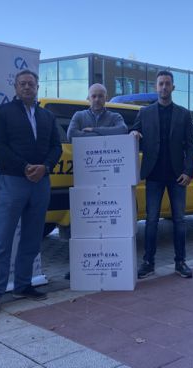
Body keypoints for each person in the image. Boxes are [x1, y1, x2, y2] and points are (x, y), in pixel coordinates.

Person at [0, 69, 62, 317]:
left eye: (31, 84)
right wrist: (24, 167)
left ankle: (23, 285)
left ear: (37, 87)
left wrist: (45, 167)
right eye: (22, 84)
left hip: (41, 182)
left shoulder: (47, 116)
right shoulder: (2, 112)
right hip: (13, 180)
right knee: (3, 238)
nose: (27, 87)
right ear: (15, 87)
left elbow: (56, 147)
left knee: (32, 237)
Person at [131, 70, 193, 279]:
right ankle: (148, 263)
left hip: (178, 176)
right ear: (156, 87)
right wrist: (134, 133)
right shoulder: (145, 113)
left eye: (167, 83)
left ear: (173, 87)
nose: (164, 87)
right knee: (151, 221)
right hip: (154, 175)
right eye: (161, 84)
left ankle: (180, 262)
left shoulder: (184, 114)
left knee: (179, 220)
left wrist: (188, 172)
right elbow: (133, 135)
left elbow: (191, 146)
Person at [64, 83, 128, 280]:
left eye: (101, 96)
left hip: (111, 180)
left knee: (109, 226)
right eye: (94, 96)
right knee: (84, 227)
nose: (97, 99)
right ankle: (81, 266)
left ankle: (107, 265)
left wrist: (93, 130)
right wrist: (102, 134)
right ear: (88, 98)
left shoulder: (115, 116)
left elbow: (123, 130)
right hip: (86, 179)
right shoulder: (79, 116)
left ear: (106, 97)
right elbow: (71, 135)